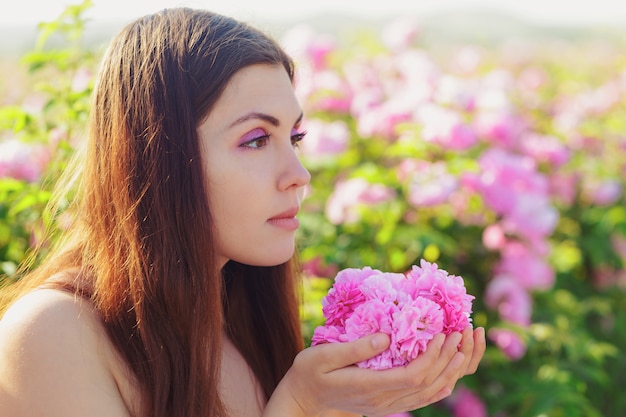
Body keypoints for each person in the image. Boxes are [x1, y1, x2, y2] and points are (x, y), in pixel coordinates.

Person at [0, 8, 485, 417]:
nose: (298, 173)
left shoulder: (235, 316)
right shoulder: (53, 335)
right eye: (255, 139)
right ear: (159, 158)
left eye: (294, 138)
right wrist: (298, 406)